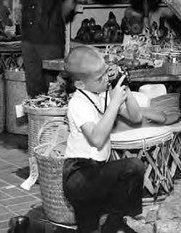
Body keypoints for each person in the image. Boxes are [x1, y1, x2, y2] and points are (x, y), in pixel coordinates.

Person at [62, 46, 145, 233]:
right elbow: (97, 139)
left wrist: (124, 88)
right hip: (78, 176)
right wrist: (114, 103)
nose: (105, 80)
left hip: (98, 171)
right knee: (88, 226)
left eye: (106, 73)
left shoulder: (102, 94)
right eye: (99, 78)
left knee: (134, 168)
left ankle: (115, 222)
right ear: (80, 84)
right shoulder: (78, 102)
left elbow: (135, 117)